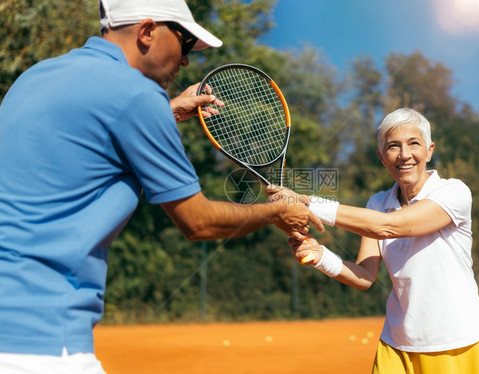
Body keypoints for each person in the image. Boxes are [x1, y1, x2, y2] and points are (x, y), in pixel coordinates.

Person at [0, 0, 322, 372]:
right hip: (39, 338)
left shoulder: (36, 76)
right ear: (147, 31)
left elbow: (85, 142)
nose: (185, 60)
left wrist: (165, 112)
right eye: (184, 43)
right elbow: (198, 222)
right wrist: (278, 211)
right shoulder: (136, 94)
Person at [269, 108, 479, 373]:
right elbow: (364, 276)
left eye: (413, 143)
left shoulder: (454, 192)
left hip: (459, 343)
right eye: (393, 146)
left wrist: (306, 204)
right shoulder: (377, 203)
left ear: (429, 151)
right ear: (381, 157)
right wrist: (321, 256)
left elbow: (389, 227)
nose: (405, 155)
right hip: (396, 346)